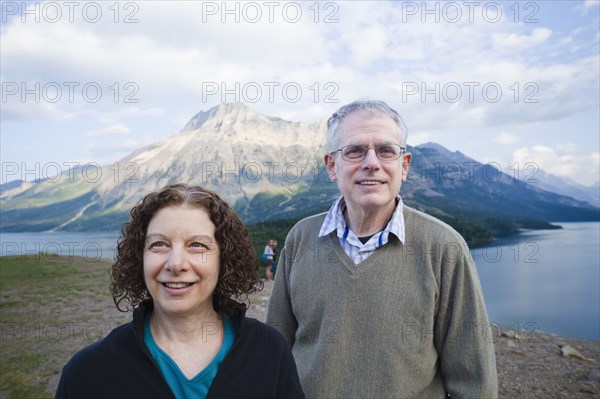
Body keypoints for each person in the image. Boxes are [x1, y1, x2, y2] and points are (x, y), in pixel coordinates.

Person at [266, 100, 498, 398]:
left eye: (386, 150)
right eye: (354, 150)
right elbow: (275, 349)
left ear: (404, 165)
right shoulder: (300, 238)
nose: (371, 163)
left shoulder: (443, 247)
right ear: (331, 166)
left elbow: (475, 381)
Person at [56, 184, 304, 399]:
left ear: (224, 258)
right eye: (159, 244)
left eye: (197, 245)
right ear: (138, 257)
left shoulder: (269, 351)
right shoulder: (87, 372)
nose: (176, 263)